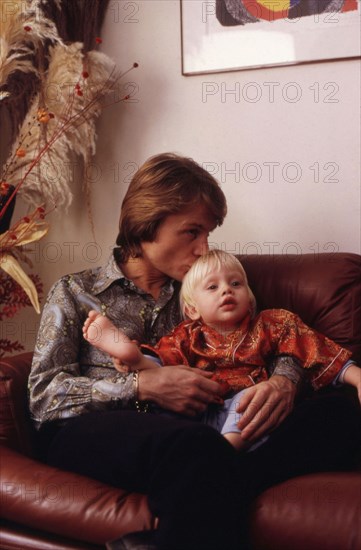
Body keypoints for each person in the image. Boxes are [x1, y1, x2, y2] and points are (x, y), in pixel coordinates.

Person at [28, 153, 360, 550]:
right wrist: (140, 387)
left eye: (208, 234)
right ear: (147, 222)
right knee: (195, 446)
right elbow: (43, 397)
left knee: (340, 412)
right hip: (96, 428)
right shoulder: (74, 291)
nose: (204, 248)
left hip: (205, 424)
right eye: (192, 232)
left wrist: (283, 382)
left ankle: (172, 531)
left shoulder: (208, 286)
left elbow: (272, 336)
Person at [82, 249, 361, 452]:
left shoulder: (272, 322)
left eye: (236, 284)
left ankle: (225, 452)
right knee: (164, 386)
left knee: (248, 402)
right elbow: (168, 363)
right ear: (192, 310)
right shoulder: (188, 334)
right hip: (198, 408)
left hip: (244, 409)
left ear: (250, 300)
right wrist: (144, 361)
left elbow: (312, 349)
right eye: (213, 287)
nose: (226, 291)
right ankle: (134, 357)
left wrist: (356, 377)